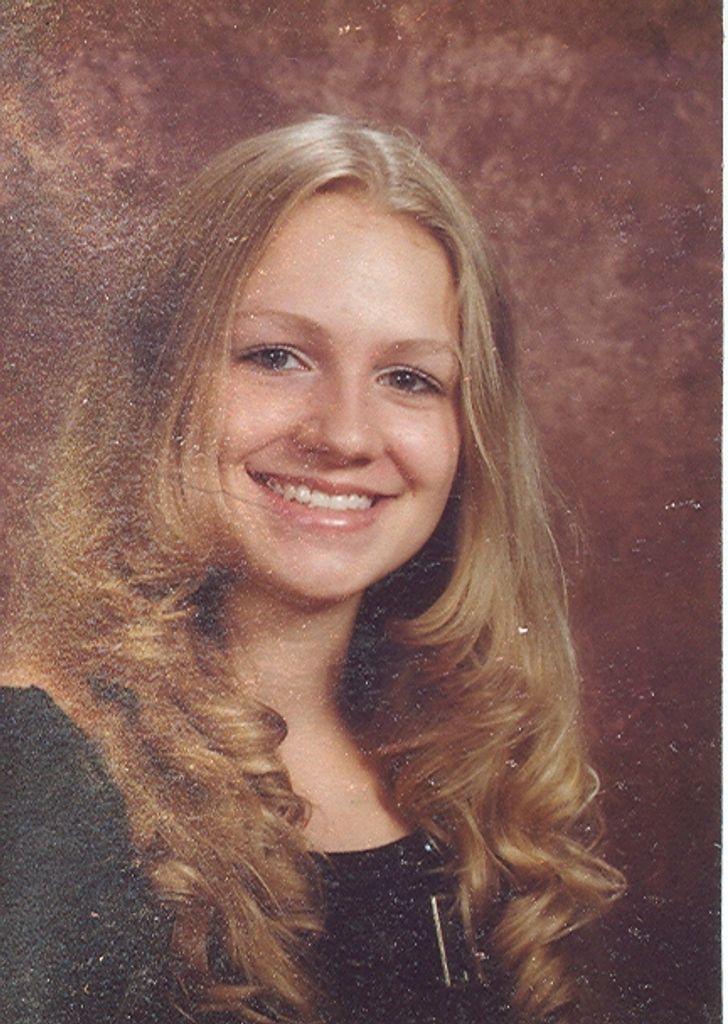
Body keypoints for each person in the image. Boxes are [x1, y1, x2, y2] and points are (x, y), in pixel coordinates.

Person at [0, 114, 623, 1024]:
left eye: (409, 378)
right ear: (157, 386)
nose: (344, 434)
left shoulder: (468, 764)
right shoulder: (37, 762)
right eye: (276, 357)